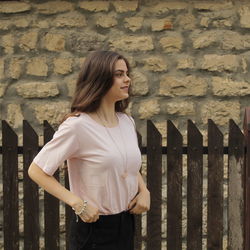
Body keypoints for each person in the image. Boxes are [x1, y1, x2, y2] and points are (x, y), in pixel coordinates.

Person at [28, 50, 150, 250]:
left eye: (127, 73)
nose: (127, 79)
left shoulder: (126, 122)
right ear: (99, 78)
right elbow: (37, 170)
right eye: (119, 74)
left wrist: (144, 190)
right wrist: (77, 203)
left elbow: (128, 165)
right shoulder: (77, 126)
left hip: (126, 224)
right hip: (94, 230)